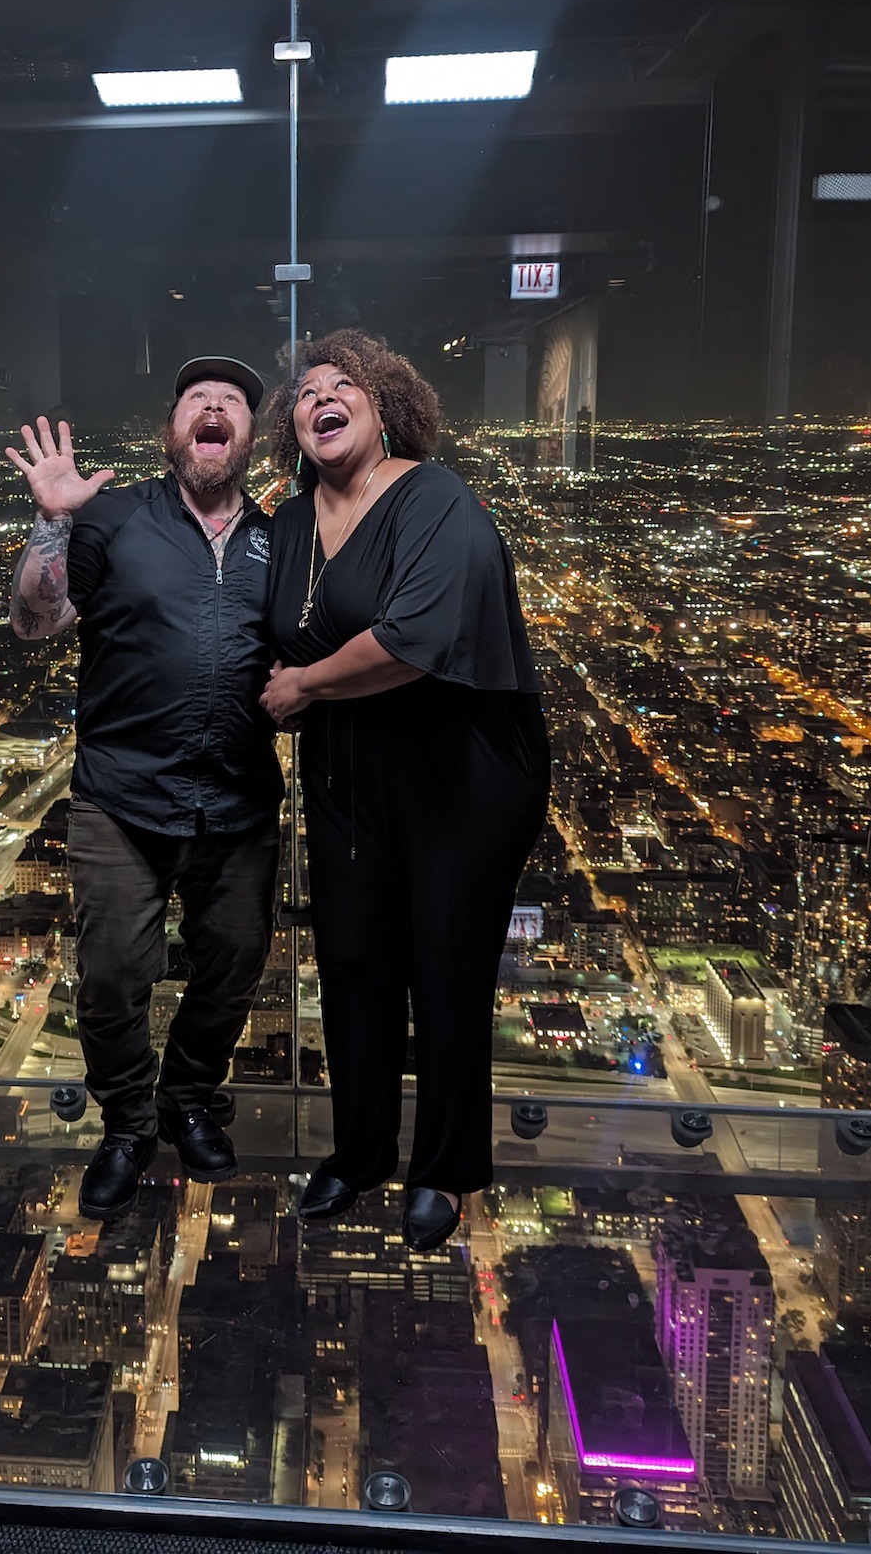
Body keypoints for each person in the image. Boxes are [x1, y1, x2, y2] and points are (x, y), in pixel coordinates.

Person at [260, 330, 549, 1253]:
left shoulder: (434, 495)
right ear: (294, 426)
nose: (322, 397)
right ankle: (359, 1153)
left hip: (458, 770)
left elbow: (415, 639)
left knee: (447, 966)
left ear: (388, 410)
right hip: (351, 771)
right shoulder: (297, 519)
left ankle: (446, 1171)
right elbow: (275, 632)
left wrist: (302, 687)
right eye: (306, 392)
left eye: (345, 384)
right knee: (351, 961)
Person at [7, 359, 281, 1220]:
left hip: (238, 802)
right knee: (113, 976)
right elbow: (34, 621)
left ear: (247, 437)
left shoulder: (284, 540)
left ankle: (189, 1099)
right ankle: (127, 1123)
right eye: (196, 399)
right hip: (121, 799)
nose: (211, 406)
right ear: (173, 433)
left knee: (233, 968)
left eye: (230, 401)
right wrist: (52, 524)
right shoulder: (113, 519)